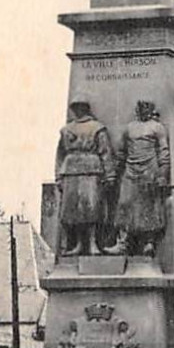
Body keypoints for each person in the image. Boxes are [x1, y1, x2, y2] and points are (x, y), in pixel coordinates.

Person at [111, 100, 171, 257]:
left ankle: (148, 242)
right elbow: (121, 152)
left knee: (149, 207)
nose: (142, 110)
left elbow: (164, 151)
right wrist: (114, 172)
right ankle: (122, 242)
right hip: (130, 171)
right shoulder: (129, 128)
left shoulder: (157, 127)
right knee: (124, 204)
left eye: (145, 107)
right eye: (140, 107)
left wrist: (162, 174)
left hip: (149, 170)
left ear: (150, 109)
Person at [55, 100, 116, 256]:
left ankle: (94, 243)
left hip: (92, 169)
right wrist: (58, 177)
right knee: (74, 210)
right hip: (71, 171)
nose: (77, 111)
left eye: (79, 108)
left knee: (92, 208)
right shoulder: (65, 130)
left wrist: (110, 174)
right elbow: (60, 156)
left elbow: (105, 151)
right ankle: (80, 244)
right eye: (75, 108)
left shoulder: (97, 128)